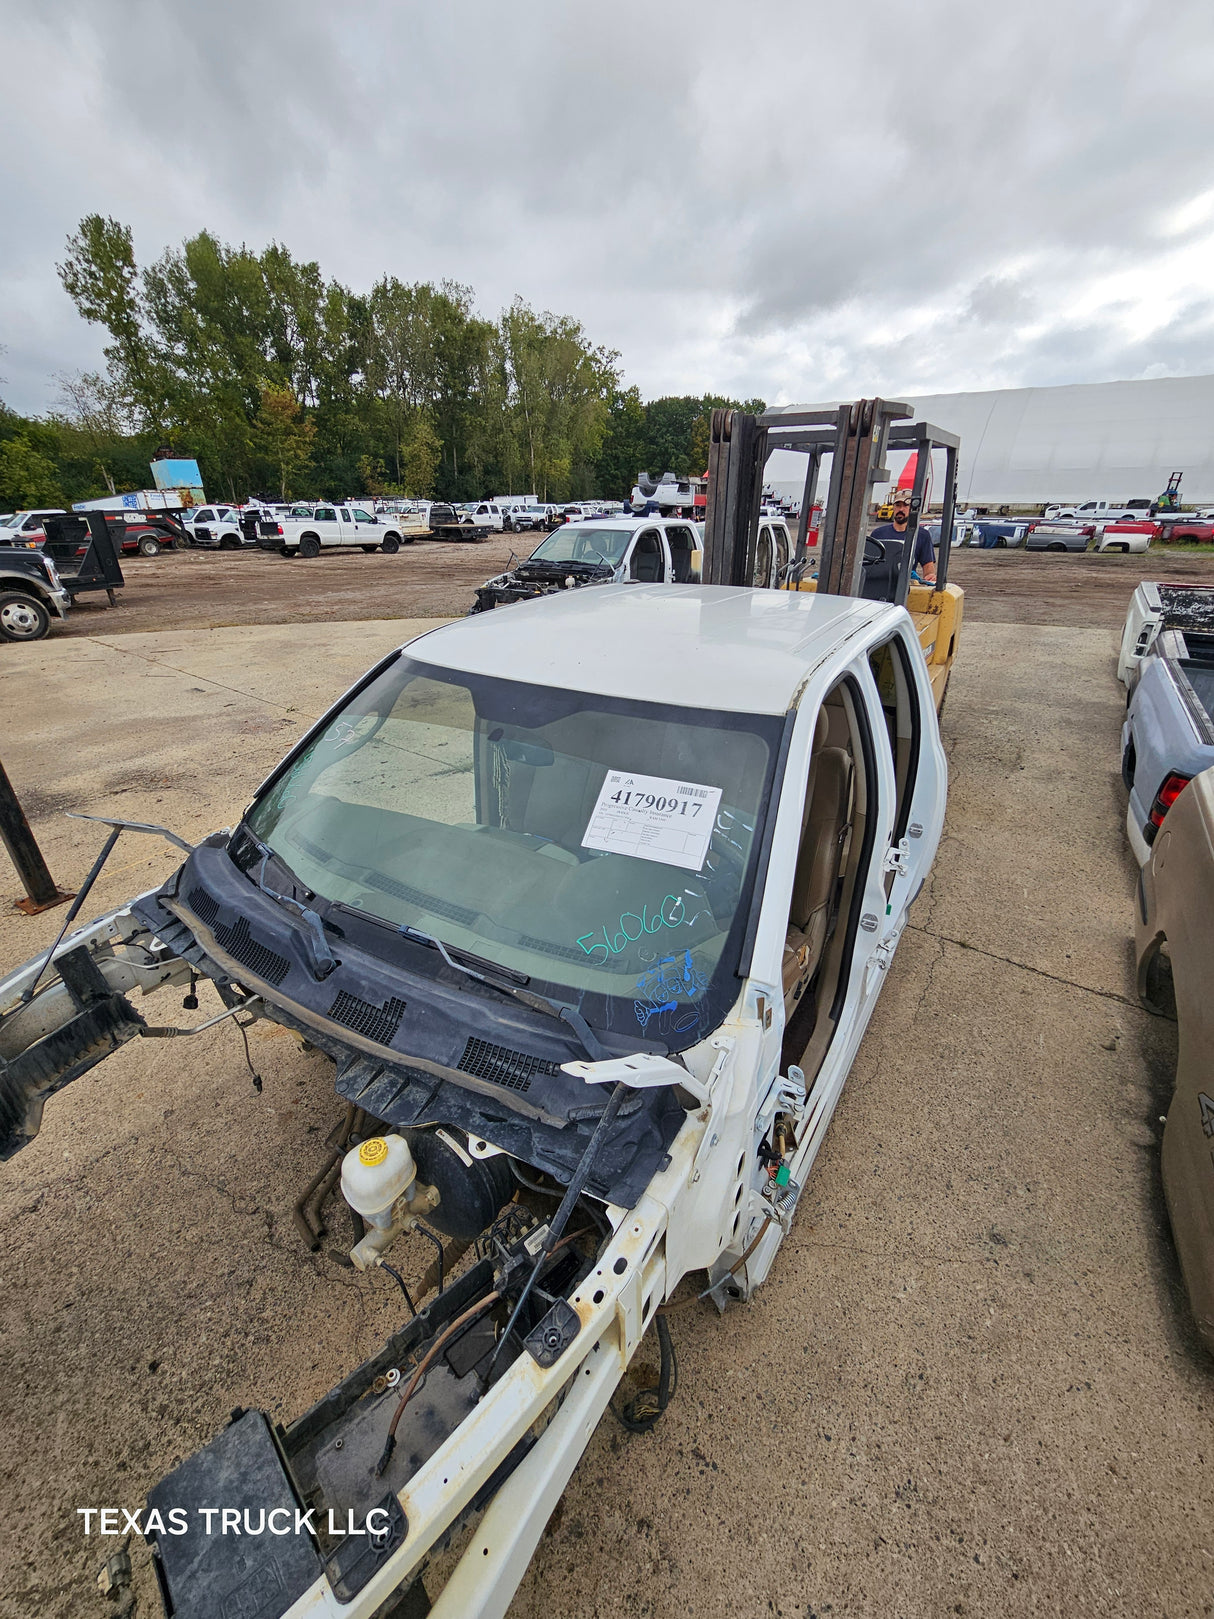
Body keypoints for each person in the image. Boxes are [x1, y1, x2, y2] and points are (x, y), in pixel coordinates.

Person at [869, 493, 937, 584]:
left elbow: (928, 567)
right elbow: (869, 565)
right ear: (893, 507)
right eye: (898, 505)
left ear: (912, 508)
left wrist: (930, 576)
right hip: (880, 584)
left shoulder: (922, 535)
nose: (901, 509)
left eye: (905, 505)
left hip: (906, 586)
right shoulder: (878, 534)